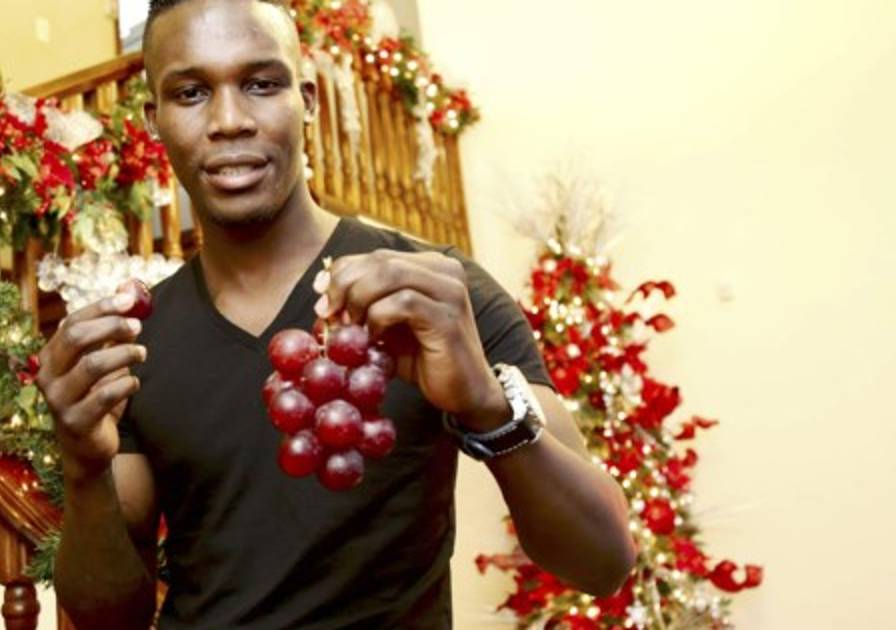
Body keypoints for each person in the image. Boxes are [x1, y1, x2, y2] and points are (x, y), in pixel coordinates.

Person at [34, 1, 635, 627]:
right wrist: (84, 469)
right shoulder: (137, 341)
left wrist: (487, 404)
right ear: (154, 118)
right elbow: (110, 619)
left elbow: (602, 562)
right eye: (191, 93)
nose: (229, 120)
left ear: (308, 100)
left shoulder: (435, 295)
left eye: (261, 83)